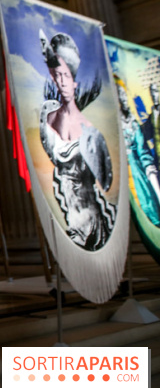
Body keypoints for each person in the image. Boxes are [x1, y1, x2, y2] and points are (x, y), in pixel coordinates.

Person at [38, 31, 116, 250]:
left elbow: (104, 179)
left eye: (66, 76)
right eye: (57, 76)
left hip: (89, 210)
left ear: (75, 82)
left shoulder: (89, 130)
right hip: (66, 207)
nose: (61, 82)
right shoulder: (48, 117)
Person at [116, 81, 160, 227]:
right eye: (120, 95)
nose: (123, 98)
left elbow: (143, 151)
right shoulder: (130, 124)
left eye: (123, 94)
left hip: (143, 165)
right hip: (131, 172)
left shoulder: (133, 124)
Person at [141, 83, 160, 164]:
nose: (154, 95)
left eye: (155, 91)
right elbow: (146, 135)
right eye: (151, 92)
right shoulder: (151, 116)